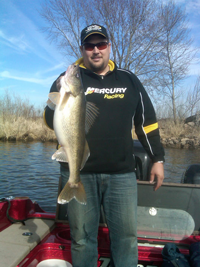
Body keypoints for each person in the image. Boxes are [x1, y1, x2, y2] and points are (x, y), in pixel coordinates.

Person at [44, 24, 165, 267]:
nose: (96, 50)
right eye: (89, 45)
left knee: (126, 239)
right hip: (79, 172)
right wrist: (56, 95)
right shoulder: (68, 81)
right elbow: (50, 120)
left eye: (101, 44)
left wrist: (157, 159)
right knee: (82, 238)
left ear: (109, 46)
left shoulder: (129, 80)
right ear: (83, 49)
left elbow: (146, 123)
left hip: (121, 174)